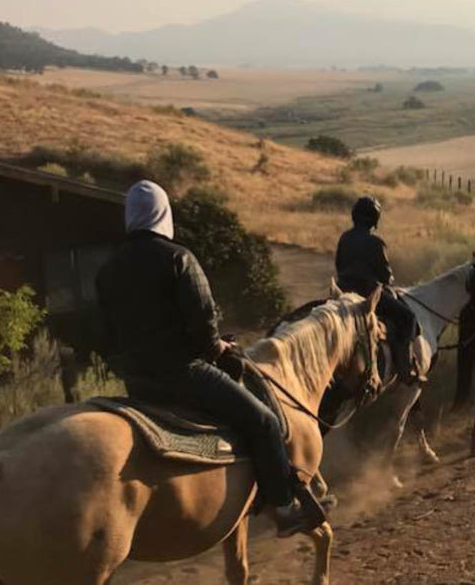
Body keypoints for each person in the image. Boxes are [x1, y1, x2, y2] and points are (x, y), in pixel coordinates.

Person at [96, 180, 324, 538]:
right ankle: (283, 506)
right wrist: (221, 349)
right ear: (163, 214)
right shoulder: (178, 258)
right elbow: (204, 330)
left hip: (137, 381)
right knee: (263, 421)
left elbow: (106, 333)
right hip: (183, 375)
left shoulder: (107, 269)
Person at [335, 196, 422, 384]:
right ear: (375, 219)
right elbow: (385, 277)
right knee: (408, 318)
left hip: (343, 294)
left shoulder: (344, 238)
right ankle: (405, 367)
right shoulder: (376, 243)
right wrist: (389, 278)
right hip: (368, 295)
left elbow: (339, 266)